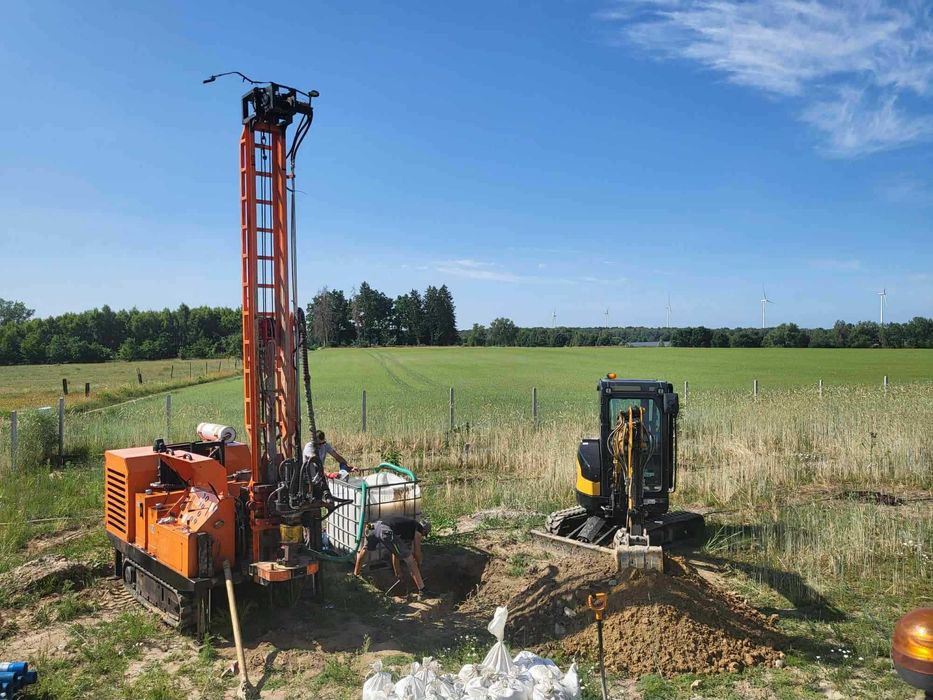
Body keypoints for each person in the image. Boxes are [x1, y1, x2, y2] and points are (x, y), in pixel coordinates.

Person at [354, 516, 431, 597]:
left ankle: (356, 575)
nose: (422, 536)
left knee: (365, 549)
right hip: (385, 530)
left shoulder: (406, 527)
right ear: (424, 530)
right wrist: (419, 564)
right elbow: (417, 552)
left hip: (372, 526)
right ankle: (423, 591)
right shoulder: (418, 528)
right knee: (411, 561)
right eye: (424, 534)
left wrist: (398, 573)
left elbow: (395, 552)